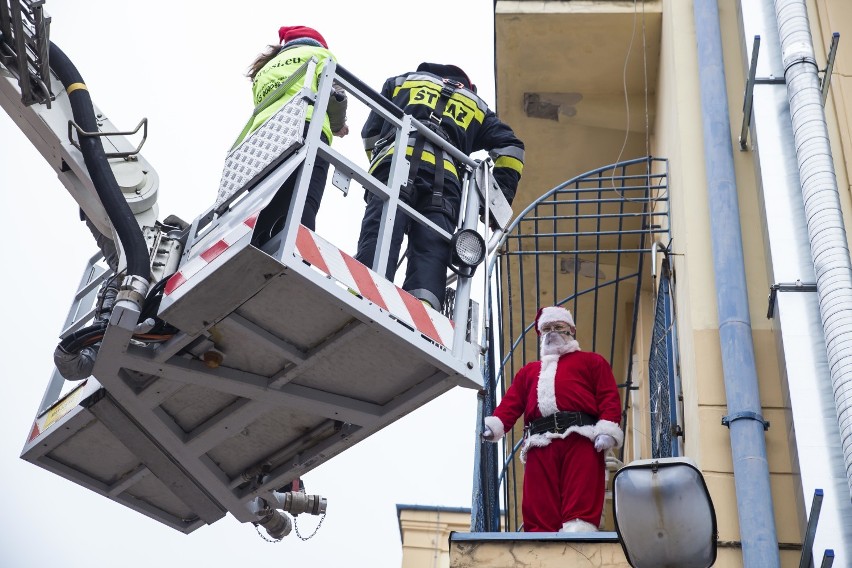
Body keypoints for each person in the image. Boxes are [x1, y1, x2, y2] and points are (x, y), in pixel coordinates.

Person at [355, 62, 524, 310]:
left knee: (380, 231)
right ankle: (422, 317)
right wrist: (495, 202)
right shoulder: (476, 105)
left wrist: (380, 165)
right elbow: (511, 149)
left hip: (394, 168)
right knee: (432, 249)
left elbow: (371, 134)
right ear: (467, 85)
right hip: (444, 184)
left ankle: (363, 294)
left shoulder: (402, 82)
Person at [482, 305, 623, 533]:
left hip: (581, 436)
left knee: (580, 488)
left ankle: (579, 530)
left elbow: (608, 397)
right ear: (540, 334)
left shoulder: (592, 362)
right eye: (546, 328)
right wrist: (496, 425)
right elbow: (512, 403)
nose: (552, 332)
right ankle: (540, 538)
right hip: (540, 440)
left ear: (571, 330)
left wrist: (607, 429)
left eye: (558, 327)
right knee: (538, 498)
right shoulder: (529, 372)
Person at [237, 25, 349, 241]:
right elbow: (336, 97)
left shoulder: (265, 68)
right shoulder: (320, 55)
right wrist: (338, 126)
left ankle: (256, 248)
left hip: (262, 136)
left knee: (266, 201)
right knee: (304, 197)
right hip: (306, 126)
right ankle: (297, 253)